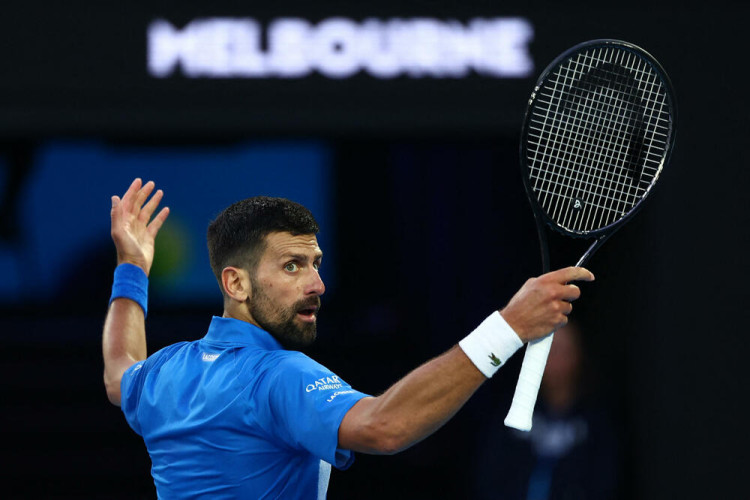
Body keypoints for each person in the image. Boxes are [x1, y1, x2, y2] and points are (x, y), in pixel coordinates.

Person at [102, 178, 595, 499]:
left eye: (316, 264)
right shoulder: (277, 377)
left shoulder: (164, 371)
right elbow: (386, 426)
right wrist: (508, 327)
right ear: (236, 283)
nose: (316, 284)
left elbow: (118, 368)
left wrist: (132, 267)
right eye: (291, 266)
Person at [470, 320, 621, 500]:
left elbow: (605, 483)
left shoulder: (596, 423)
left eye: (563, 351)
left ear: (579, 356)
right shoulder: (512, 411)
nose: (555, 360)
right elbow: (490, 477)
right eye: (548, 351)